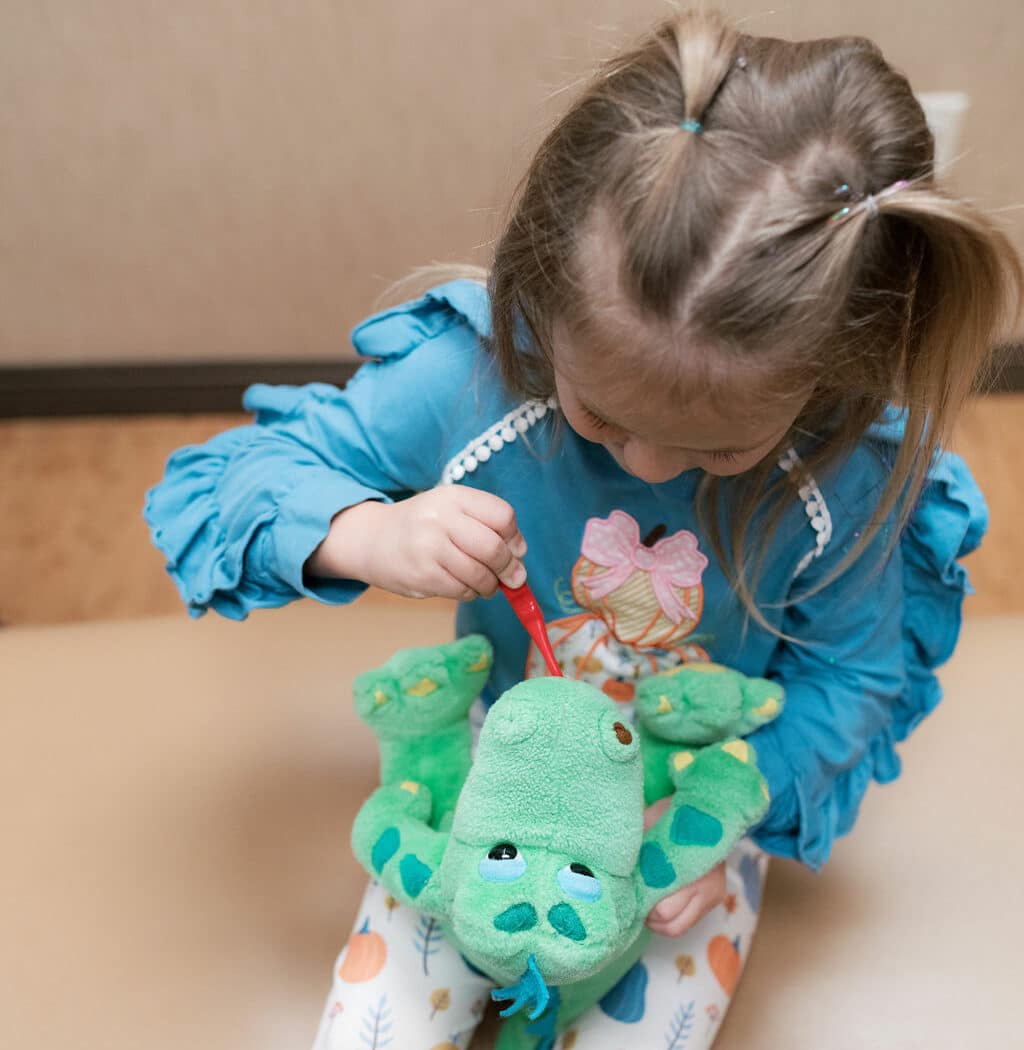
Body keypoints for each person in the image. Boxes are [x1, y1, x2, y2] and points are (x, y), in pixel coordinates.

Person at [145, 9, 1021, 1049]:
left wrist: (726, 812)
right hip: (495, 767)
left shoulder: (850, 476)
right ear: (542, 296)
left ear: (831, 379)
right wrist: (363, 533)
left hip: (694, 789)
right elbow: (227, 482)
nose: (645, 469)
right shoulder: (469, 381)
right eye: (599, 418)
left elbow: (855, 681)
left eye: (717, 452)